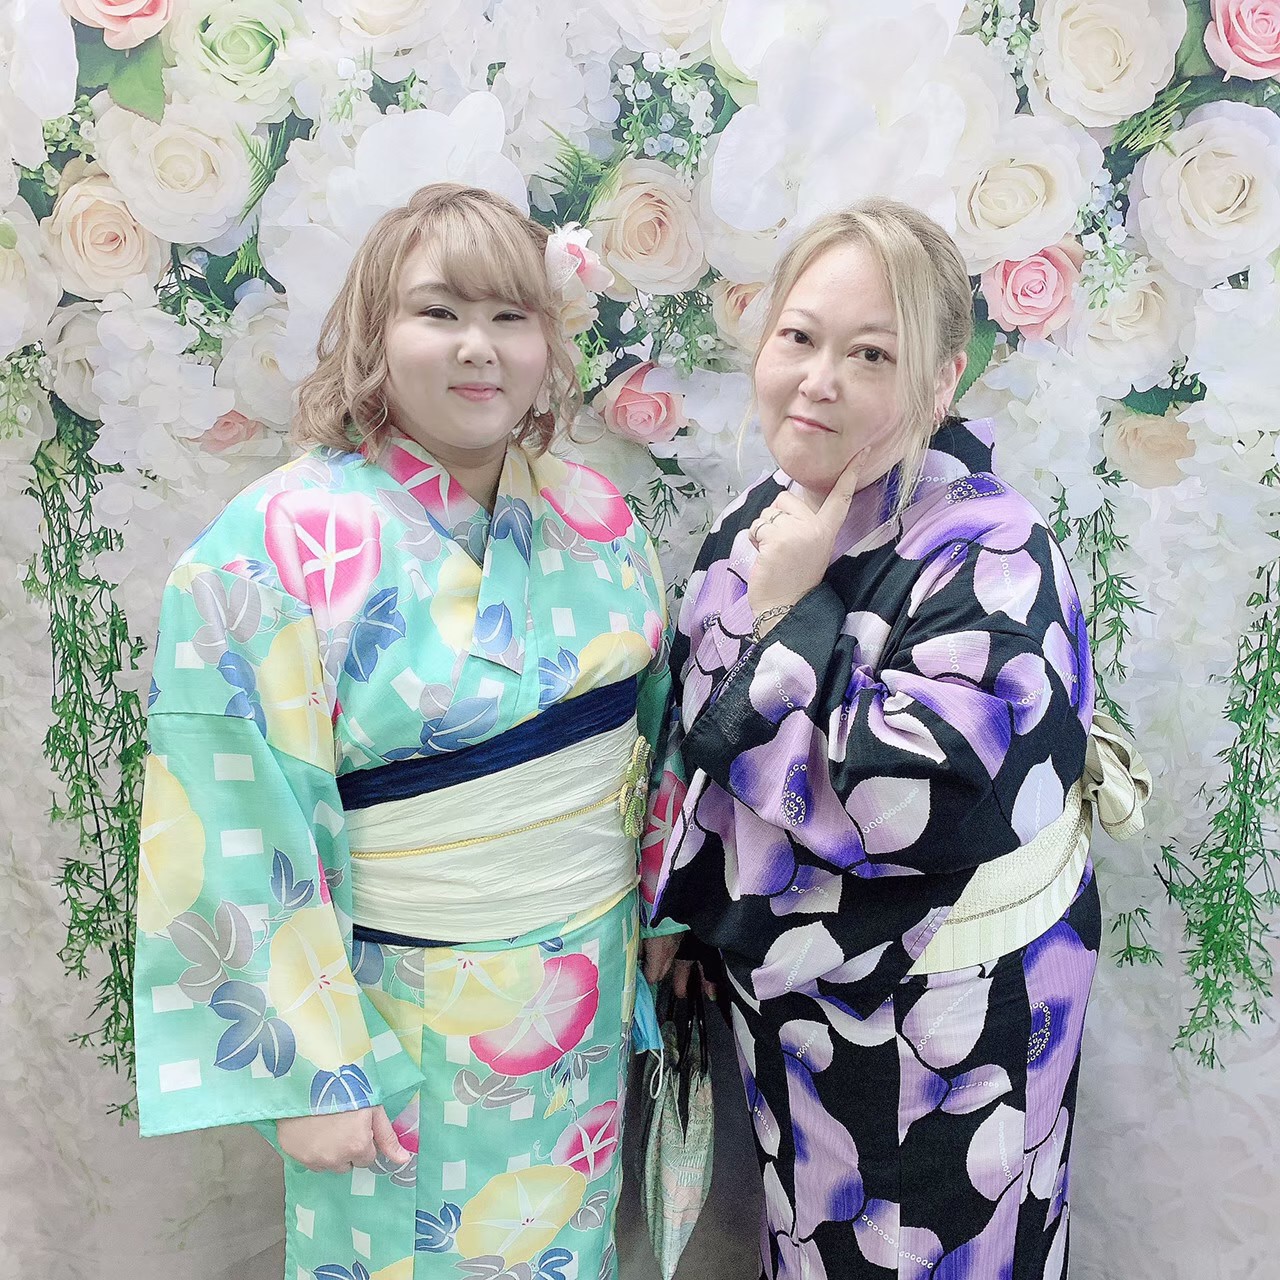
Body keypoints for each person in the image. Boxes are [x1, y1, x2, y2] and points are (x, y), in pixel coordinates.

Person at [133, 182, 683, 1280]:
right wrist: (308, 1067)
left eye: (510, 316)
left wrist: (661, 909)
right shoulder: (272, 544)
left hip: (576, 991)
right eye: (439, 312)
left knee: (563, 1244)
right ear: (374, 334)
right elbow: (230, 799)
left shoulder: (595, 514)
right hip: (387, 1017)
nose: (479, 347)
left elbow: (648, 734)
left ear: (547, 341)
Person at [646, 198, 1149, 1279]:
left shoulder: (996, 550)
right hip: (793, 1013)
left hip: (953, 1020)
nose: (818, 379)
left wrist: (792, 611)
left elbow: (909, 802)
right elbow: (697, 725)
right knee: (808, 1245)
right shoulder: (762, 514)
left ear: (939, 380)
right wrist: (683, 909)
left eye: (870, 353)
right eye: (799, 336)